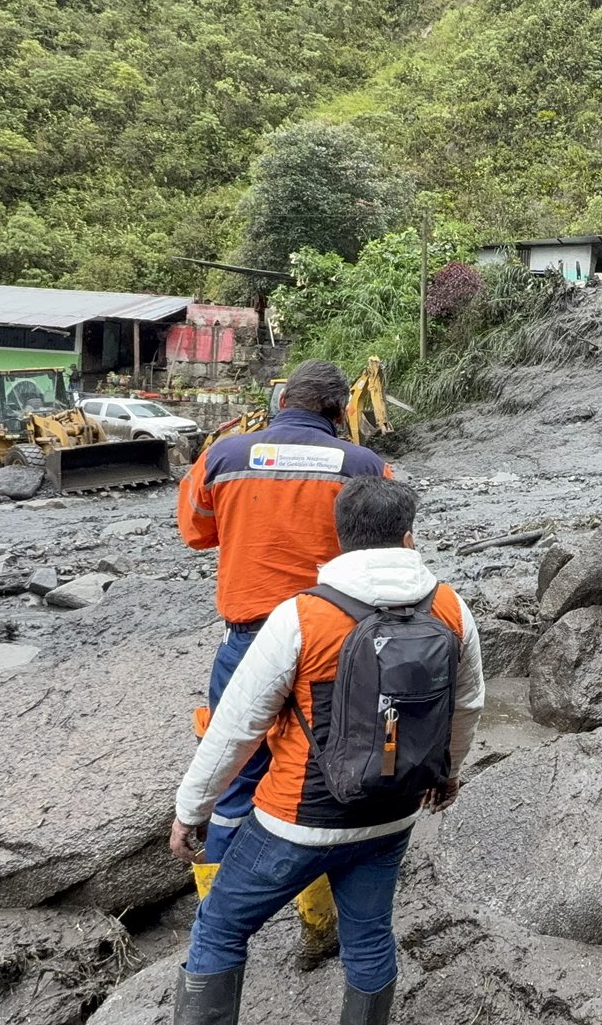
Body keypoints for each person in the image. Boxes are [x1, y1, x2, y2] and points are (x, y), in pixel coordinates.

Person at [167, 476, 482, 1025]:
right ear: (408, 539)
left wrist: (191, 810)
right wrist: (447, 774)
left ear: (340, 540)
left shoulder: (302, 615)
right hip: (391, 814)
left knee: (219, 928)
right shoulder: (452, 609)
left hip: (297, 820)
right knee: (370, 937)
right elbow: (468, 706)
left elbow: (236, 727)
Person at [177, 360, 393, 968]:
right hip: (336, 645)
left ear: (281, 403)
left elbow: (196, 531)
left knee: (231, 783)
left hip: (248, 640)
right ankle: (319, 929)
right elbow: (388, 549)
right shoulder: (364, 465)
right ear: (337, 412)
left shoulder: (222, 456)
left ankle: (216, 928)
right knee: (323, 781)